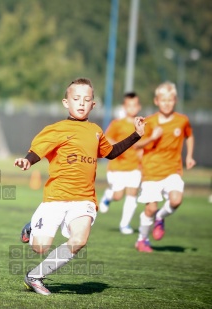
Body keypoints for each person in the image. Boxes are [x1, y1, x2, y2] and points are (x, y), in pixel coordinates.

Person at [15, 78, 145, 295]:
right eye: (76, 99)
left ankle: (35, 276)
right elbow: (38, 149)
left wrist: (136, 136)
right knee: (40, 247)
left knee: (79, 240)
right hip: (56, 197)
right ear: (66, 102)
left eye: (87, 100)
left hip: (84, 199)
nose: (81, 103)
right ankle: (32, 226)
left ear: (93, 104)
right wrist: (28, 160)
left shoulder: (95, 131)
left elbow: (110, 152)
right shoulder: (57, 129)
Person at [132, 81, 195, 253]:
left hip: (172, 171)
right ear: (156, 101)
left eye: (170, 100)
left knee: (176, 200)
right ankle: (142, 240)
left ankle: (160, 217)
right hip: (151, 172)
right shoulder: (149, 121)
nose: (167, 103)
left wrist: (189, 156)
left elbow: (189, 136)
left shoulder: (182, 121)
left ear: (175, 100)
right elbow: (136, 145)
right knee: (150, 208)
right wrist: (152, 137)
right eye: (163, 100)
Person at [98, 92, 143, 235]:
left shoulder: (142, 124)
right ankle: (108, 195)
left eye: (134, 105)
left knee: (132, 194)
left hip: (134, 166)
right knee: (118, 195)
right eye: (128, 105)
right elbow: (108, 139)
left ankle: (125, 224)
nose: (132, 108)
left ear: (139, 106)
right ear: (124, 107)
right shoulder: (117, 124)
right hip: (117, 166)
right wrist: (120, 147)